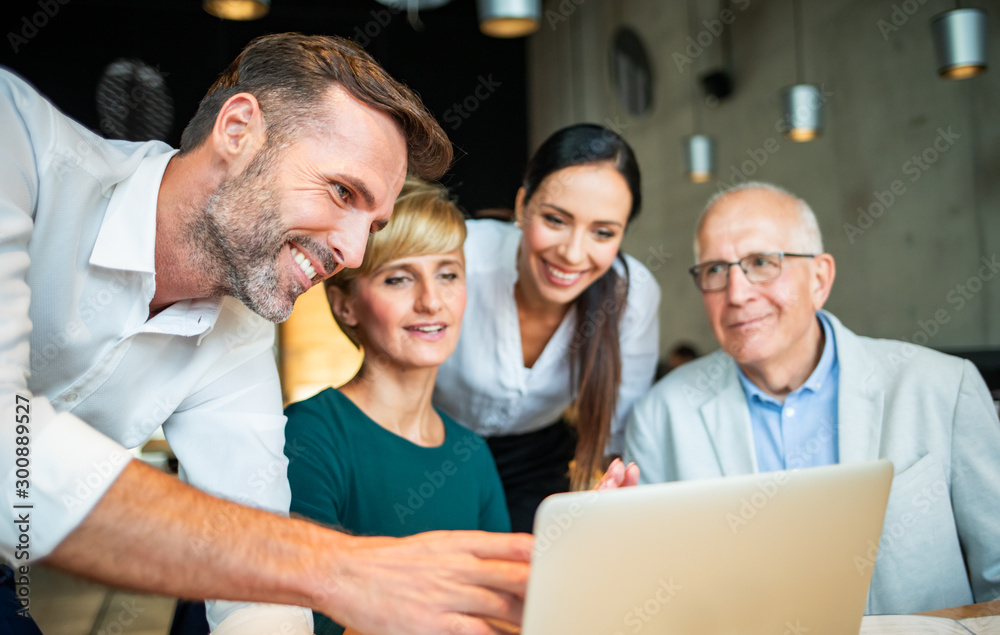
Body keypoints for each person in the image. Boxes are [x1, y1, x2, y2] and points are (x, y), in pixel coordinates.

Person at [0, 33, 532, 635]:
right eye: (341, 191)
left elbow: (252, 576)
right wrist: (342, 569)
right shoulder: (17, 143)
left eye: (373, 222)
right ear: (237, 131)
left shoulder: (238, 334)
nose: (354, 252)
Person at [623, 182, 1000, 614]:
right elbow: (651, 602)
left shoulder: (942, 389)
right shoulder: (660, 414)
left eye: (761, 262)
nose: (737, 293)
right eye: (715, 270)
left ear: (820, 278)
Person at [283, 178, 509, 635]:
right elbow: (307, 622)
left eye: (448, 274)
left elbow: (505, 613)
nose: (431, 301)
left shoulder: (471, 453)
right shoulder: (310, 435)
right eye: (399, 278)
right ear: (345, 305)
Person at [434, 123, 660, 532]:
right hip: (431, 444)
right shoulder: (459, 257)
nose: (573, 254)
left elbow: (620, 426)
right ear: (523, 206)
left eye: (603, 232)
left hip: (537, 459)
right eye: (556, 220)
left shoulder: (633, 294)